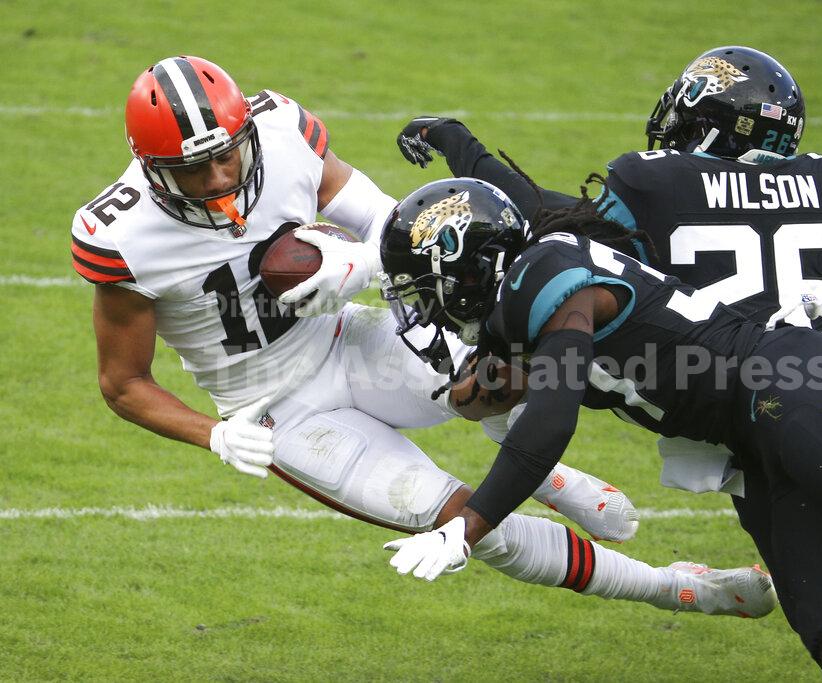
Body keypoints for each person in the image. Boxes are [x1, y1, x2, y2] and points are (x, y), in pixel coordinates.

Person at [70, 55, 779, 622]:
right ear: (152, 169)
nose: (220, 177)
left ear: (244, 131)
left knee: (498, 373)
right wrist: (214, 434)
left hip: (351, 335)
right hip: (277, 406)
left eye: (227, 153)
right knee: (463, 524)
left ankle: (548, 474)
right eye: (193, 169)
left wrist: (359, 261)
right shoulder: (123, 235)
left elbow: (394, 223)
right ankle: (675, 586)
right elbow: (123, 383)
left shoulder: (279, 131)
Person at [391, 46, 822, 671]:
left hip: (787, 397)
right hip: (793, 403)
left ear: (705, 122)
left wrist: (459, 144)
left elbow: (545, 217)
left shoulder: (647, 190)